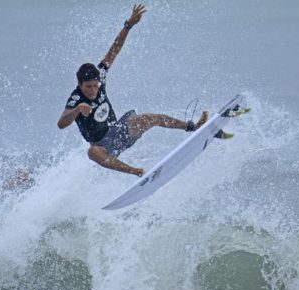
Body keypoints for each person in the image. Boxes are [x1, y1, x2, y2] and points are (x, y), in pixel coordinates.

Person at [57, 4, 209, 177]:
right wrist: (77, 110)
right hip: (103, 145)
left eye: (95, 85)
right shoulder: (76, 98)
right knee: (92, 153)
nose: (93, 90)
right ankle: (137, 172)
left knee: (151, 118)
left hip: (120, 130)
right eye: (88, 87)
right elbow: (61, 123)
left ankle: (193, 126)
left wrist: (128, 25)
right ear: (79, 84)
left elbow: (114, 50)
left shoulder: (101, 76)